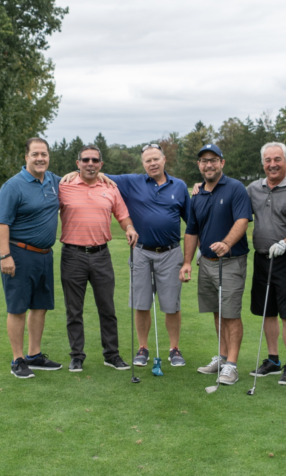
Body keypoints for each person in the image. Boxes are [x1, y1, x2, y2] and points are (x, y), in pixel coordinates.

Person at [63, 144, 191, 368]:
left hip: (166, 252)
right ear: (142, 164)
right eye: (147, 160)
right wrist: (75, 173)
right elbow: (87, 173)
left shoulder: (178, 186)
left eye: (155, 159)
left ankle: (171, 349)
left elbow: (191, 223)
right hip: (134, 252)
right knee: (139, 304)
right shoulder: (130, 182)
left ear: (164, 160)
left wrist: (188, 259)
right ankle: (138, 349)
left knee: (169, 305)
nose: (152, 163)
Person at [58, 144, 138, 372]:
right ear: (78, 163)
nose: (90, 164)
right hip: (72, 255)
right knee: (74, 310)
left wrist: (129, 228)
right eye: (85, 160)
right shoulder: (64, 186)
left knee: (107, 308)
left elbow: (123, 216)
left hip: (101, 255)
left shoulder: (110, 188)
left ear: (101, 165)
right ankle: (77, 356)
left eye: (95, 160)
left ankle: (111, 354)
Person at [180, 144, 253, 385]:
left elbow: (243, 220)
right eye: (203, 161)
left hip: (231, 262)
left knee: (231, 314)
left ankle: (232, 365)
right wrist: (187, 262)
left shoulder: (235, 188)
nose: (208, 164)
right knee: (217, 311)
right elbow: (191, 231)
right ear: (199, 165)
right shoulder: (198, 194)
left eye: (213, 160)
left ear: (222, 162)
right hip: (207, 263)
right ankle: (222, 357)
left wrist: (227, 242)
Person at [0, 137, 64, 379]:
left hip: (45, 255)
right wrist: (5, 256)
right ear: (26, 157)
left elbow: (80, 179)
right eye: (35, 154)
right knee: (18, 308)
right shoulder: (13, 186)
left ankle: (34, 355)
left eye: (43, 154)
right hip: (19, 254)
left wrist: (104, 177)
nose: (40, 158)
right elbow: (1, 223)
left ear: (48, 157)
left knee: (40, 306)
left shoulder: (54, 181)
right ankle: (18, 359)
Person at [246, 142, 286, 386]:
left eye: (278, 159)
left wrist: (284, 243)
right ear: (263, 164)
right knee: (267, 312)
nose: (273, 164)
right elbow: (235, 210)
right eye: (268, 160)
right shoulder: (253, 188)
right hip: (261, 258)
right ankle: (273, 360)